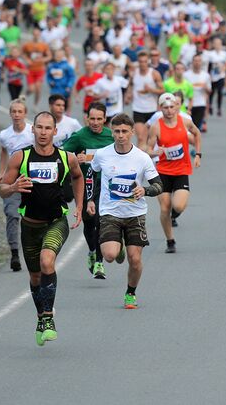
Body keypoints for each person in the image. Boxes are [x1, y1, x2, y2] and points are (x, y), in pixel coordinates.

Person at [0, 111, 84, 344]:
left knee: (48, 262)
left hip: (56, 221)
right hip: (30, 226)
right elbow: (2, 189)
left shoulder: (67, 158)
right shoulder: (20, 157)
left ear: (55, 131)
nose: (44, 132)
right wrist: (14, 187)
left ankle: (48, 318)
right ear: (32, 130)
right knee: (35, 276)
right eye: (40, 128)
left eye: (48, 128)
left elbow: (78, 177)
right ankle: (40, 316)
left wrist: (79, 205)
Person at [86, 114, 164, 310]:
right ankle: (118, 246)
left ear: (132, 132)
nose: (120, 135)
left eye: (124, 132)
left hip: (135, 214)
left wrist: (144, 190)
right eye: (117, 131)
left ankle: (130, 293)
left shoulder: (142, 157)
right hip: (110, 212)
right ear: (112, 132)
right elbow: (90, 174)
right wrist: (89, 199)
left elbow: (158, 185)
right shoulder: (102, 154)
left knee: (135, 260)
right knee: (110, 255)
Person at [62, 102, 114, 278]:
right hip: (84, 184)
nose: (95, 122)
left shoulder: (110, 136)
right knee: (89, 222)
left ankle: (99, 262)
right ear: (87, 118)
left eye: (99, 119)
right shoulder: (79, 136)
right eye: (92, 118)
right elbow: (62, 155)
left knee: (100, 221)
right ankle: (92, 250)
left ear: (105, 119)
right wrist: (76, 159)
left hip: (106, 186)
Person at [146, 93, 202, 253]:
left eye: (172, 107)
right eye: (165, 107)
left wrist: (198, 154)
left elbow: (197, 134)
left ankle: (173, 216)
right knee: (165, 208)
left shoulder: (185, 122)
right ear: (161, 108)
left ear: (177, 106)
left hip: (181, 170)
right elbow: (148, 150)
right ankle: (170, 241)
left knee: (178, 205)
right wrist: (156, 152)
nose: (169, 110)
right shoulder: (156, 127)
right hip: (162, 171)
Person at [0, 99, 35, 271]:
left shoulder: (33, 132)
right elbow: (4, 150)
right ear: (10, 113)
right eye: (14, 111)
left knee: (33, 216)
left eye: (20, 111)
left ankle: (35, 251)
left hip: (31, 179)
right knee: (12, 214)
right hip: (12, 179)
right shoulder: (5, 135)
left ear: (25, 114)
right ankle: (14, 254)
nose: (17, 115)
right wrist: (2, 171)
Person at [131, 50, 165, 148]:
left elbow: (162, 90)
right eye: (140, 61)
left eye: (145, 61)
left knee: (151, 138)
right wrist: (128, 95)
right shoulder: (134, 73)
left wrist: (150, 89)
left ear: (148, 62)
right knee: (141, 137)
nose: (142, 64)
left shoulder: (154, 74)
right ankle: (139, 161)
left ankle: (150, 159)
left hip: (152, 109)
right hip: (138, 109)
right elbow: (130, 85)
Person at [23, 27, 51, 107]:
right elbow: (23, 53)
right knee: (31, 89)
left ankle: (35, 105)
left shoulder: (43, 45)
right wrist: (27, 59)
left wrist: (42, 59)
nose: (36, 36)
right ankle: (23, 96)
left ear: (40, 35)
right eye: (34, 34)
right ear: (32, 35)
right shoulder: (28, 45)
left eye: (37, 34)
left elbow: (49, 56)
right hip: (30, 70)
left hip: (40, 70)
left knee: (38, 89)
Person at [184, 53, 212, 131]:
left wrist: (205, 87)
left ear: (201, 63)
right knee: (186, 127)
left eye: (199, 61)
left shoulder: (206, 75)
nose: (197, 62)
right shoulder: (186, 75)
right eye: (195, 61)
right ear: (192, 62)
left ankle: (196, 142)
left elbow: (209, 91)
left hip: (200, 103)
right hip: (187, 103)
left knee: (195, 128)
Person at [204, 37, 226, 117]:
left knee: (220, 92)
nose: (218, 45)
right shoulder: (210, 54)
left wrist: (224, 70)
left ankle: (219, 108)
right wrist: (208, 76)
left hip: (221, 75)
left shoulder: (224, 54)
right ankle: (210, 105)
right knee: (212, 91)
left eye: (219, 44)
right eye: (216, 44)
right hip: (212, 76)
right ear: (213, 44)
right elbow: (208, 66)